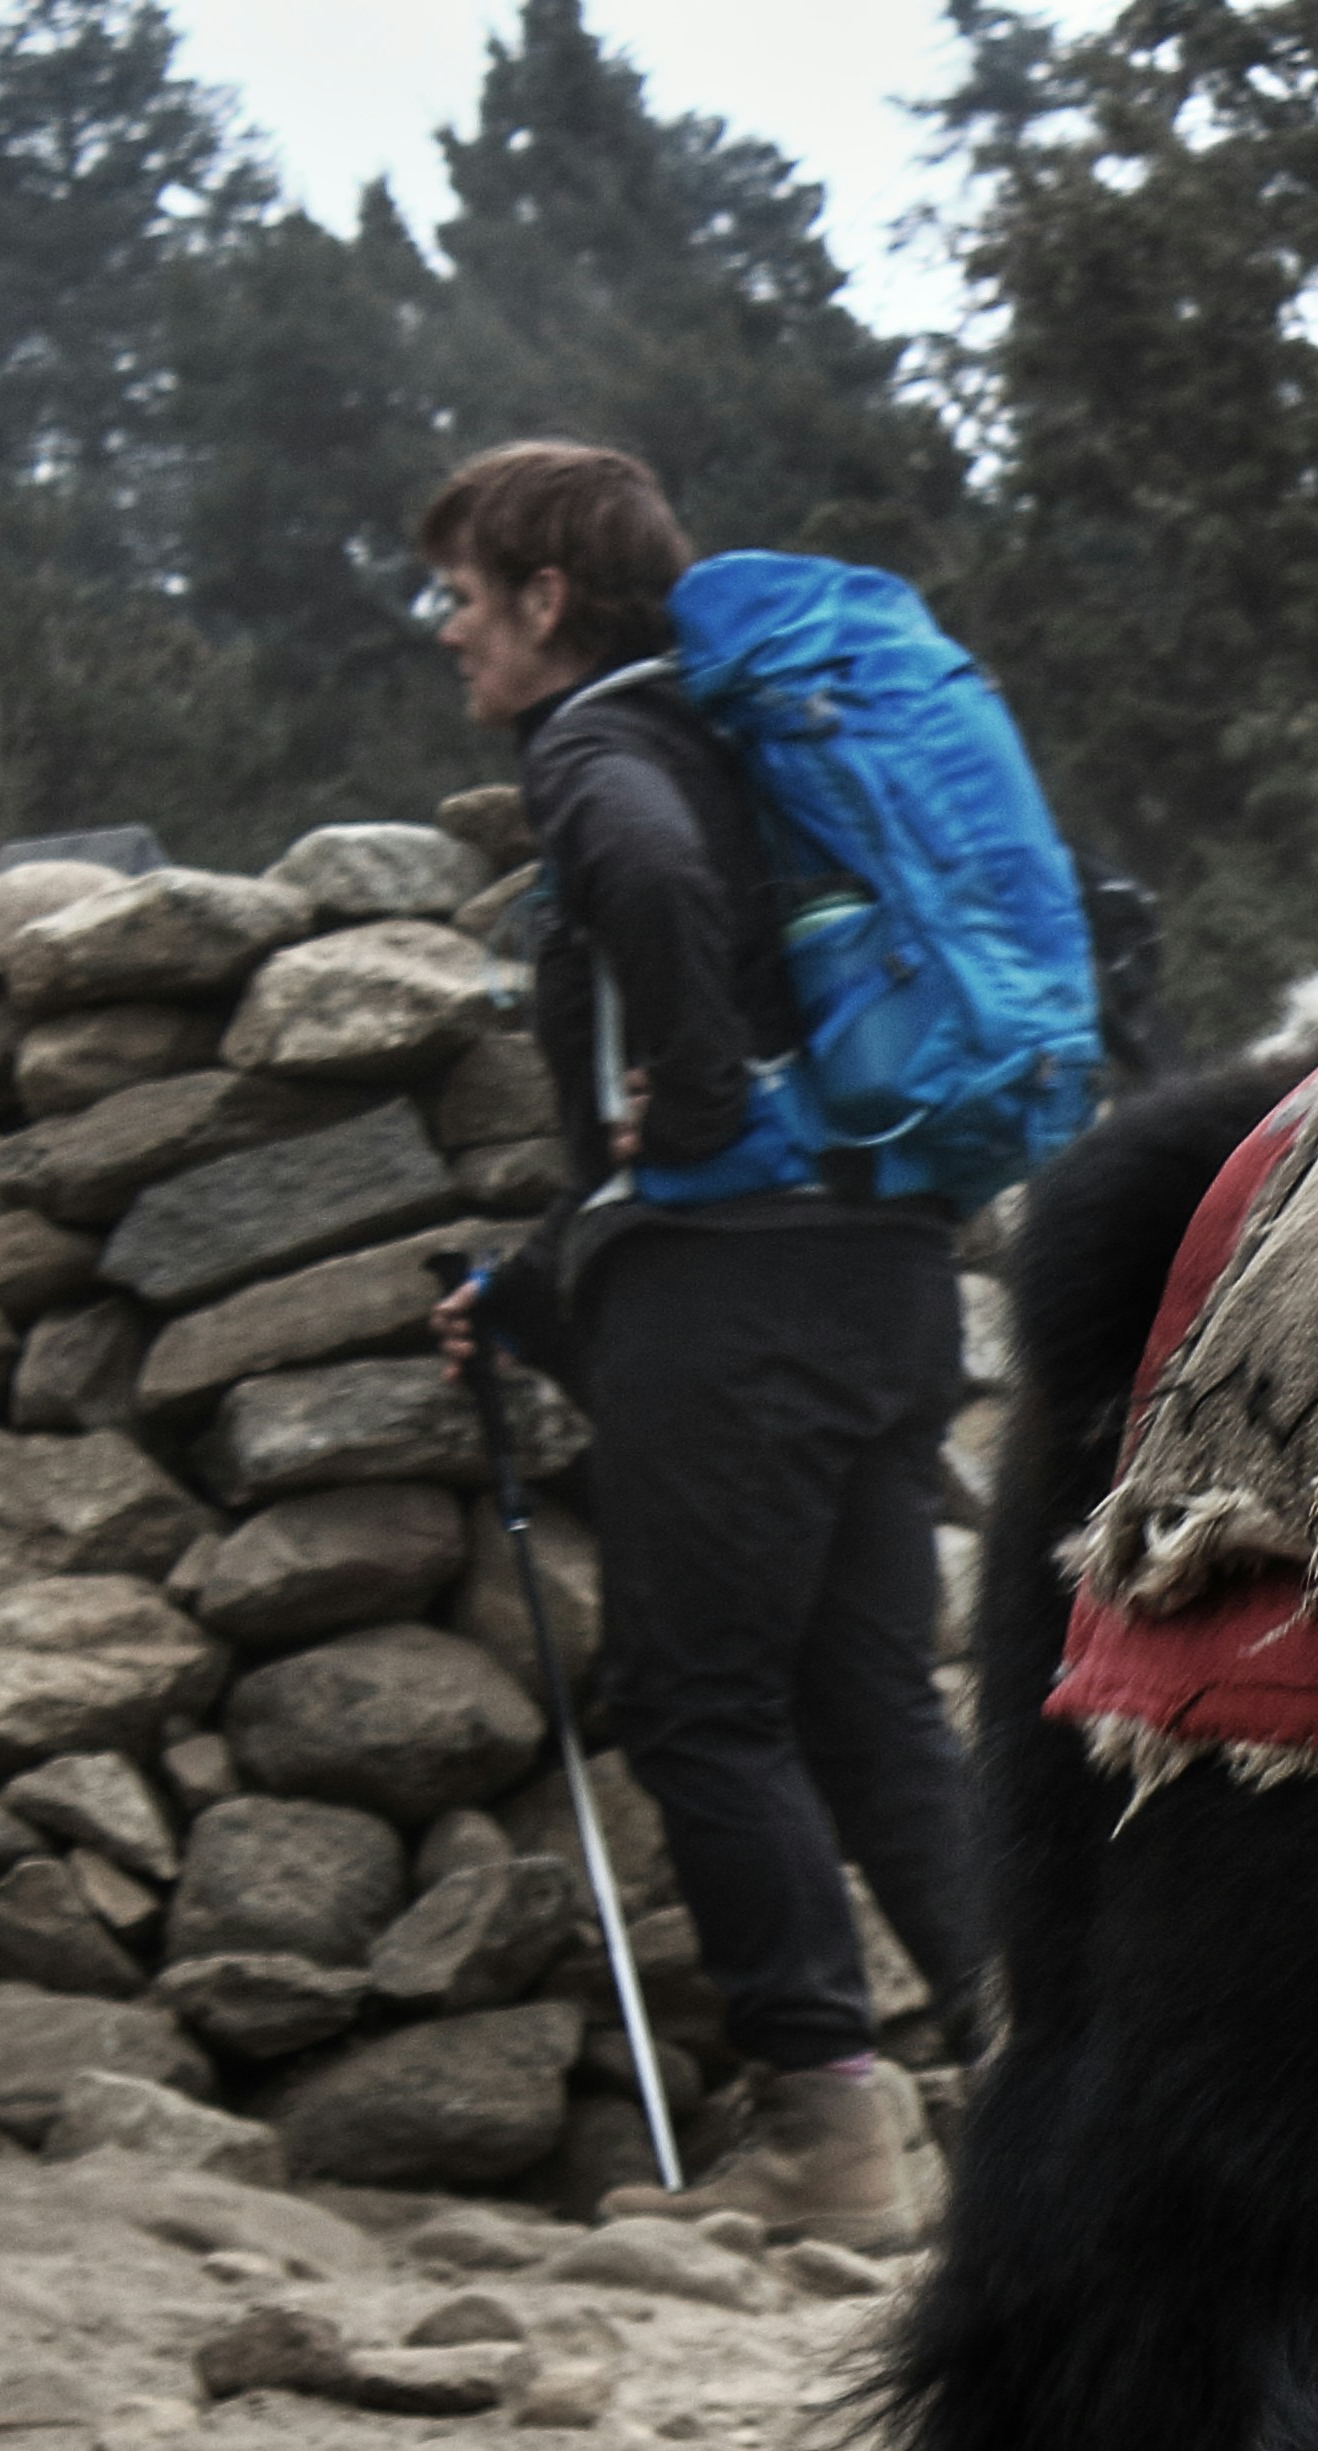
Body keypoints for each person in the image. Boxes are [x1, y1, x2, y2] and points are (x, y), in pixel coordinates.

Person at [416, 439, 982, 2252]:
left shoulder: (601, 751)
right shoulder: (765, 742)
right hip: (887, 1270)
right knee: (871, 1704)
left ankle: (827, 2136)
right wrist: (538, 1288)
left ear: (547, 597)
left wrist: (704, 1091)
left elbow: (656, 903)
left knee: (701, 1704)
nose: (448, 632)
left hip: (738, 1302)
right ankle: (1067, 2084)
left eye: (461, 595)